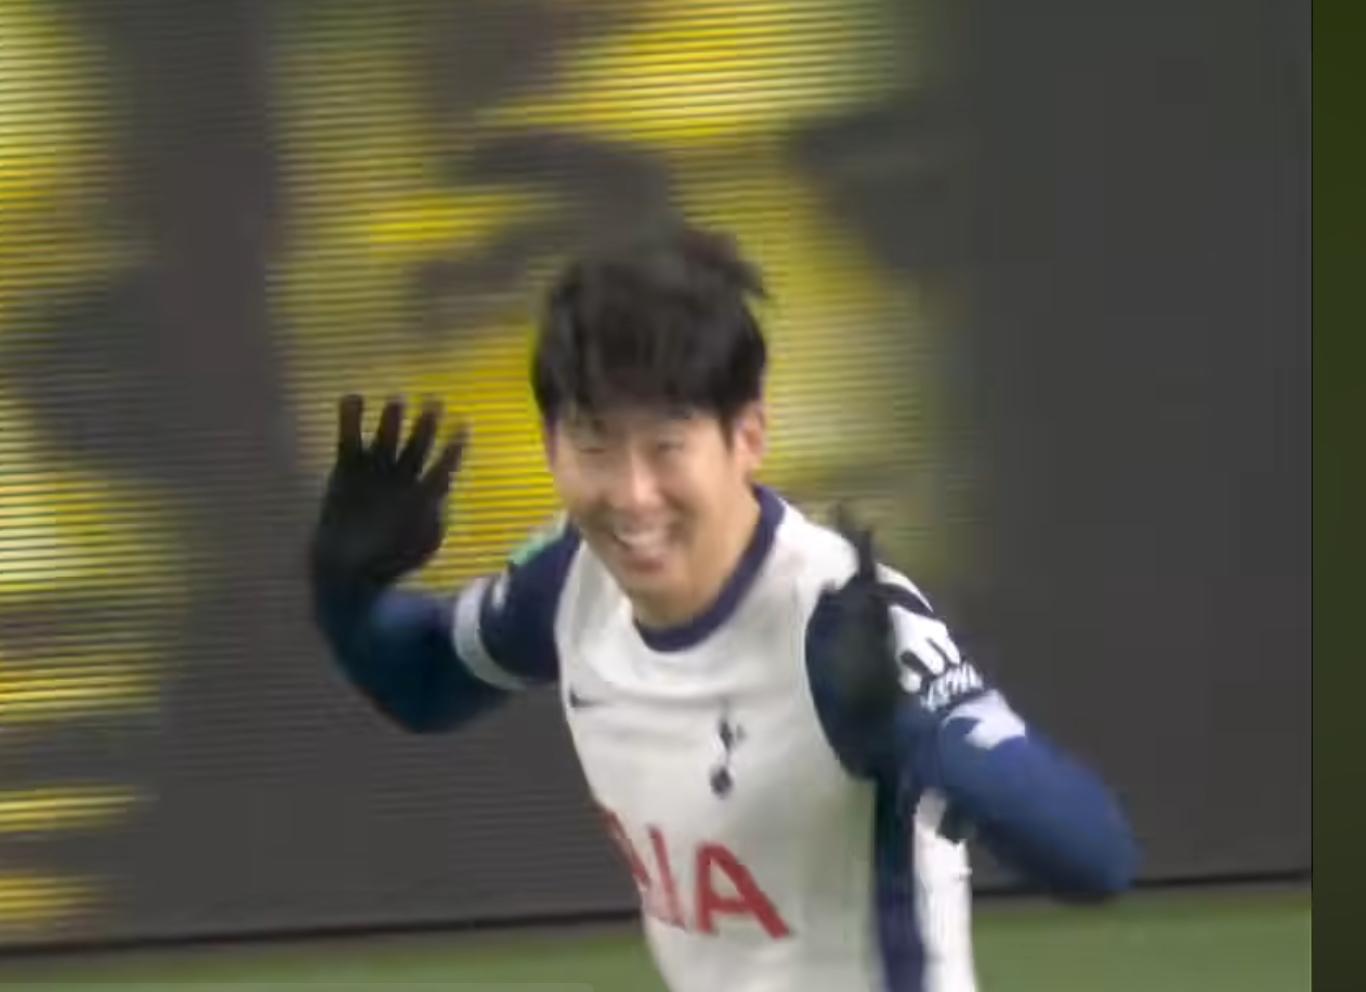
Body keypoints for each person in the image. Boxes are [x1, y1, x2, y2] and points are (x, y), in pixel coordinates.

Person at [308, 225, 1138, 992]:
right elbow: (423, 683)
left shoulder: (835, 623)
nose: (632, 495)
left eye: (667, 446)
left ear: (748, 436)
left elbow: (1095, 857)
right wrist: (345, 587)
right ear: (552, 443)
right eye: (594, 443)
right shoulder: (571, 579)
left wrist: (916, 733)